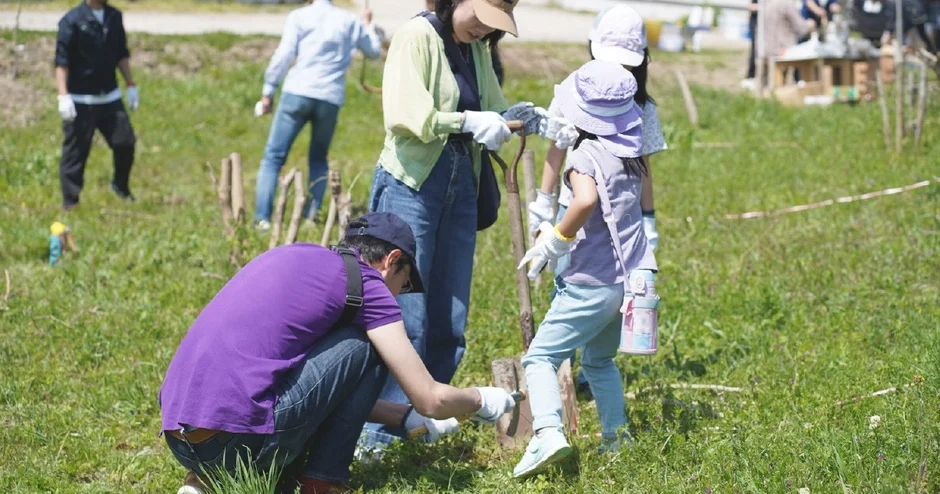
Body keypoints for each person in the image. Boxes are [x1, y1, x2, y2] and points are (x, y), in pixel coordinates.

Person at [159, 212, 517, 494]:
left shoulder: (300, 258)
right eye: (404, 284)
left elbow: (320, 388)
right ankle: (321, 484)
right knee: (369, 343)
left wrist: (403, 417)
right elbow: (431, 398)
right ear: (392, 260)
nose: (397, 296)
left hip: (182, 439)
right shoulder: (368, 286)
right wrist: (480, 399)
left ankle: (207, 479)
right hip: (238, 441)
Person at [360, 0, 545, 449]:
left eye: (493, 22)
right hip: (413, 185)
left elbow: (494, 109)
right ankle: (376, 432)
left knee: (449, 315)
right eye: (479, 14)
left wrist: (521, 117)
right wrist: (467, 121)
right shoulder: (417, 37)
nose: (483, 27)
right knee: (406, 313)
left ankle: (427, 415)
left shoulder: (476, 48)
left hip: (462, 184)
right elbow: (406, 116)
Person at [513, 59, 657, 479]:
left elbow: (585, 201)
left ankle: (547, 433)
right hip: (625, 283)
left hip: (588, 285)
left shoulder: (583, 157)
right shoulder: (629, 154)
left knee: (540, 357)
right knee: (599, 362)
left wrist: (554, 240)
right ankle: (616, 439)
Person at [530, 6, 667, 396]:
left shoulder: (643, 106)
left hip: (621, 217)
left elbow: (644, 168)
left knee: (607, 284)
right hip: (574, 210)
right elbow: (557, 148)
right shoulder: (573, 90)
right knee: (570, 285)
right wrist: (543, 201)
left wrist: (649, 218)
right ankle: (563, 369)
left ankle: (590, 369)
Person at [253, 0, 384, 230]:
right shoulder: (350, 20)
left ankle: (262, 219)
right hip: (329, 97)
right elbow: (373, 51)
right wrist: (368, 25)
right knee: (318, 157)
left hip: (297, 91)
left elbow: (283, 55)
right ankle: (311, 218)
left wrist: (268, 91)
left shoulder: (299, 16)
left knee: (273, 156)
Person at [55, 0, 139, 211]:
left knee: (125, 142)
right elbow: (61, 61)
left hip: (109, 96)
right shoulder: (71, 20)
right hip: (81, 99)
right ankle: (70, 202)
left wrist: (130, 83)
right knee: (76, 153)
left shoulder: (114, 16)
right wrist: (63, 96)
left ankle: (120, 186)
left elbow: (121, 53)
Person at [424, 0, 504, 85]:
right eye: (479, 16)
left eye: (494, 22)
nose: (483, 30)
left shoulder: (480, 46)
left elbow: (492, 93)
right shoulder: (421, 36)